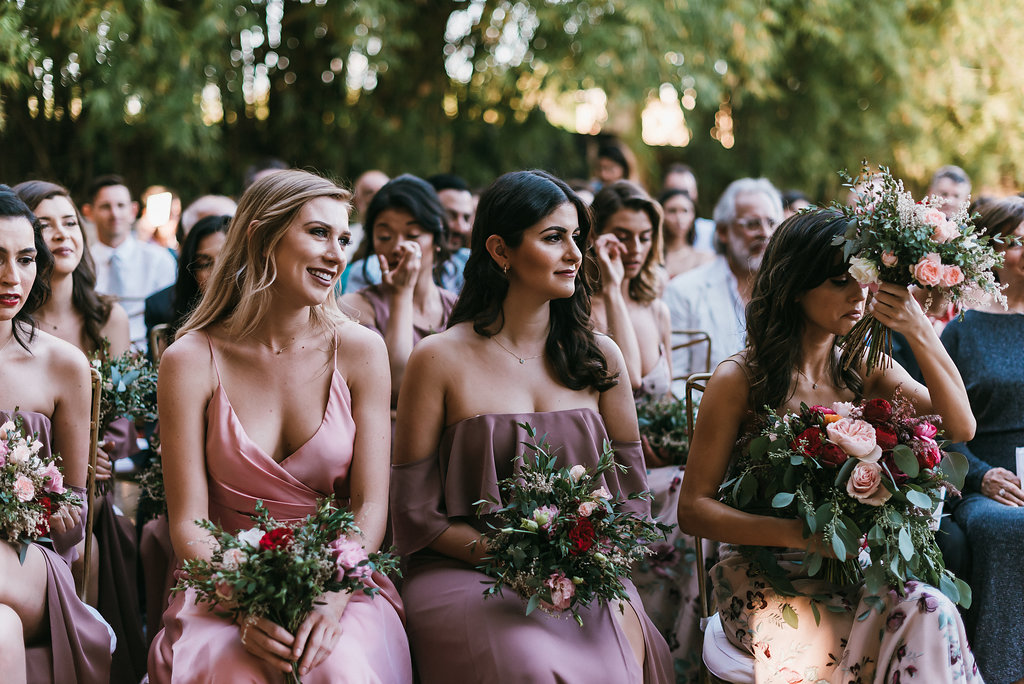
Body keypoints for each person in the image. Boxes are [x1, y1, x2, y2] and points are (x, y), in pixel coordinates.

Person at [391, 169, 673, 683]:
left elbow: (632, 497)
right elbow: (414, 514)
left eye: (576, 238)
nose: (575, 253)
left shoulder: (599, 358)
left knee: (616, 655)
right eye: (553, 238)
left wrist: (582, 561)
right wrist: (520, 559)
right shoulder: (437, 359)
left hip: (586, 573)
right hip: (466, 572)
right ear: (500, 250)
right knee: (528, 661)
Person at [677, 208, 981, 682]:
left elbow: (960, 426)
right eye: (841, 281)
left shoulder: (863, 367)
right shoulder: (741, 380)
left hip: (852, 569)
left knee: (932, 607)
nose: (859, 295)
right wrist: (800, 535)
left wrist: (918, 328)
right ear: (797, 285)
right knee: (842, 638)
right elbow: (692, 510)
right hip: (763, 573)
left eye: (864, 280)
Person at [148, 170, 412, 683]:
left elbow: (371, 506)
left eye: (343, 239)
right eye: (318, 233)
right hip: (220, 579)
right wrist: (244, 602)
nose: (337, 254)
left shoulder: (361, 350)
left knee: (339, 667)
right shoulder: (189, 358)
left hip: (338, 580)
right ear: (260, 235)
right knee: (229, 669)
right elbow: (187, 523)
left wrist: (332, 598)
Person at [13, 180, 146, 681]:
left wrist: (109, 450)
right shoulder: (15, 320)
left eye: (70, 222)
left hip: (98, 481)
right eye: (45, 225)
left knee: (103, 513)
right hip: (34, 486)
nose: (62, 235)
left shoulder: (106, 317)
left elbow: (128, 423)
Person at [589, 181, 705, 679]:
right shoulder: (581, 307)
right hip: (604, 466)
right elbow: (630, 377)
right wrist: (613, 288)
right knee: (687, 497)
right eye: (620, 236)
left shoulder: (656, 309)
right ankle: (651, 645)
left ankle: (690, 649)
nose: (633, 250)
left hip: (661, 459)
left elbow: (662, 398)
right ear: (595, 238)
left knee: (706, 491)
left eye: (642, 237)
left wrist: (676, 439)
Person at [0, 185, 113, 683]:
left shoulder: (63, 363)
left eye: (26, 259)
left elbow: (75, 520)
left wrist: (36, 507)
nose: (12, 277)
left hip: (32, 558)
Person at [941, 196, 1024, 684]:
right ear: (989, 251)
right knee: (1008, 528)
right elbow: (937, 431)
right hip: (986, 480)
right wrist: (981, 475)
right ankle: (999, 671)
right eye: (1013, 241)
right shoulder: (963, 330)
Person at [339, 175, 458, 406]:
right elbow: (397, 388)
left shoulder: (458, 308)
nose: (397, 247)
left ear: (437, 237)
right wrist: (401, 294)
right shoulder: (354, 307)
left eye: (413, 235)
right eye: (385, 236)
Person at [664, 177, 782, 396]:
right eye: (752, 224)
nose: (765, 233)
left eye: (772, 223)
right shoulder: (683, 291)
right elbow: (676, 381)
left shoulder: (788, 292)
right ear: (722, 231)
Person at [83, 174, 177, 349]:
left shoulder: (159, 259)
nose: (114, 214)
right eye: (105, 207)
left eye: (121, 205)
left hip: (151, 352)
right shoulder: (81, 264)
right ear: (89, 213)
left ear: (133, 211)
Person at [145, 214, 231, 356]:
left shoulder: (264, 322)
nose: (216, 272)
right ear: (192, 274)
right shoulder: (176, 336)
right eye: (205, 264)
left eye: (227, 260)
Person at [657, 188, 714, 280]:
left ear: (693, 215)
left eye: (685, 211)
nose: (679, 218)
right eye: (672, 211)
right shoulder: (651, 256)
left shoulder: (703, 259)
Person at [661, 163, 716, 252]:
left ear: (696, 193)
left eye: (685, 192)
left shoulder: (712, 233)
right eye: (673, 191)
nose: (679, 198)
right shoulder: (650, 234)